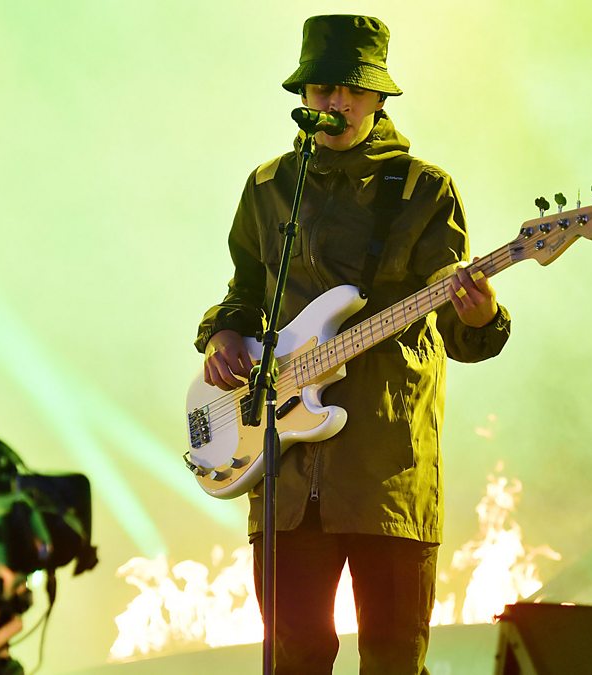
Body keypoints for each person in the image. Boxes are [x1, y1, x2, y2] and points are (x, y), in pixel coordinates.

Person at [194, 14, 512, 674]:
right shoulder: (268, 188)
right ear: (303, 94)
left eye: (351, 88)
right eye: (323, 88)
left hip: (385, 471)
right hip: (284, 475)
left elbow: (459, 331)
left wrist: (481, 315)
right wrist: (222, 333)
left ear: (377, 97)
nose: (335, 101)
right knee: (293, 658)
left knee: (394, 659)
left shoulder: (423, 189)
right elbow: (244, 291)